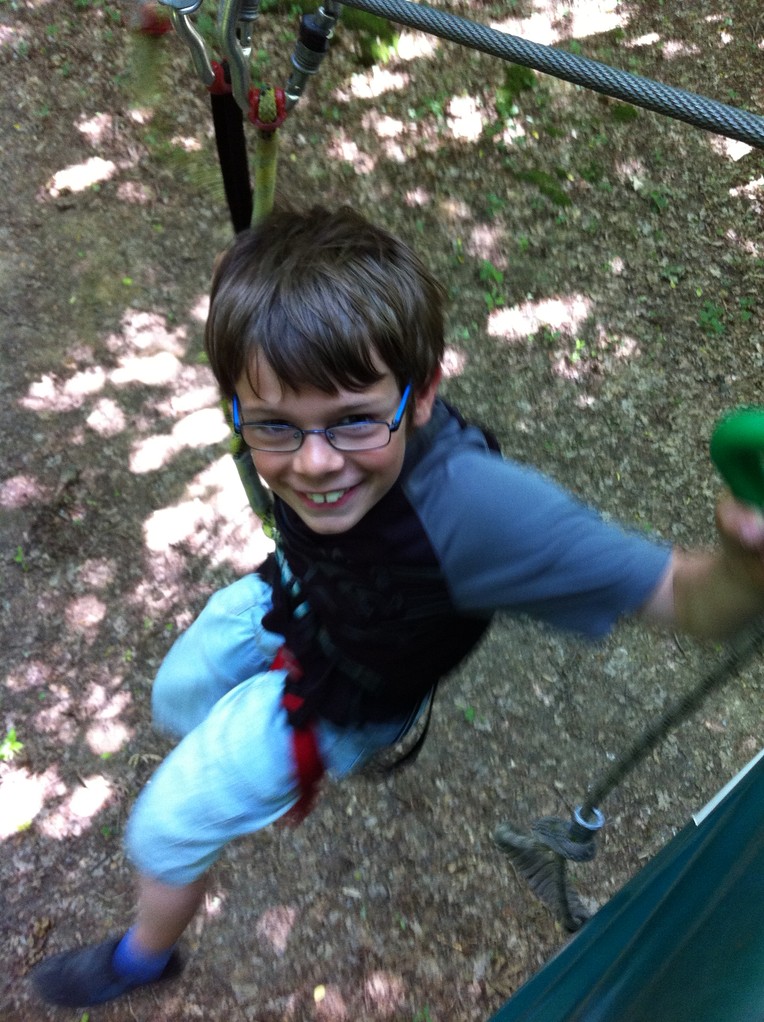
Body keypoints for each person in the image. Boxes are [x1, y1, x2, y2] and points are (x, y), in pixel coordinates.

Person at [30, 206, 764, 1007]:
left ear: (422, 396)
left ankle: (142, 958)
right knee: (178, 689)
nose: (314, 463)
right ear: (237, 402)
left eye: (352, 420)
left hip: (347, 694)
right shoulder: (287, 407)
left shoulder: (476, 510)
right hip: (294, 596)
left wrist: (744, 561)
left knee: (164, 827)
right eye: (275, 425)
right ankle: (223, 753)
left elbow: (691, 604)